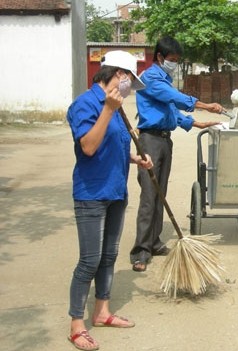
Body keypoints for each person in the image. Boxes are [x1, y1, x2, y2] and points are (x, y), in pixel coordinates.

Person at [66, 50, 153, 351]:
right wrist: (107, 109)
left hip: (116, 191)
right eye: (129, 80)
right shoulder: (85, 105)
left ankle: (102, 312)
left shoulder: (117, 108)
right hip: (91, 194)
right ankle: (77, 325)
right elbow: (89, 147)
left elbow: (110, 146)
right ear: (118, 75)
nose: (130, 88)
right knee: (89, 260)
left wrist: (135, 158)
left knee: (109, 256)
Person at [130, 35, 223, 272]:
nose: (174, 63)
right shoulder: (151, 78)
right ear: (160, 57)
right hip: (149, 141)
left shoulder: (164, 79)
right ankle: (141, 251)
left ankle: (154, 241)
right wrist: (204, 104)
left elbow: (171, 111)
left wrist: (195, 123)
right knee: (149, 195)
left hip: (164, 140)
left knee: (161, 192)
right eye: (172, 59)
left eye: (177, 60)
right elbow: (175, 99)